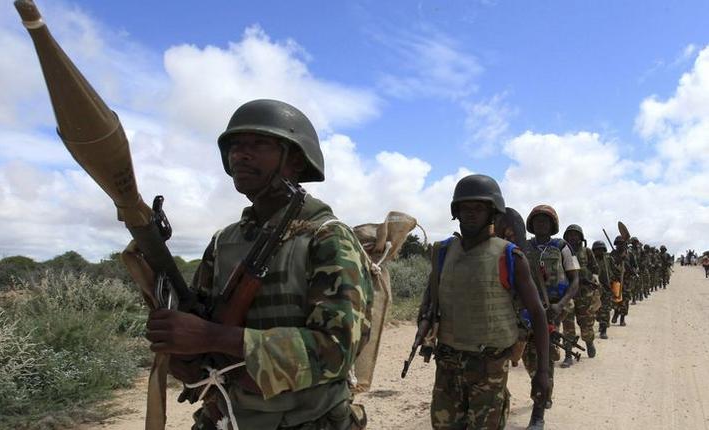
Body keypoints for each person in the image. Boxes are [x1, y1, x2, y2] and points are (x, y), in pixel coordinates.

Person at [145, 99, 373, 430]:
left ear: (296, 159)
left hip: (309, 421)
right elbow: (197, 336)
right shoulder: (224, 241)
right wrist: (180, 342)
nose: (240, 154)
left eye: (258, 144)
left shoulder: (328, 238)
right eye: (235, 146)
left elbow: (336, 352)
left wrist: (215, 337)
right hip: (226, 417)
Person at [424, 175, 549, 430]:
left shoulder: (511, 255)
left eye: (478, 208)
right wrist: (424, 328)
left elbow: (537, 313)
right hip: (447, 364)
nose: (470, 214)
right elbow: (430, 300)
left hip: (489, 366)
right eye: (465, 208)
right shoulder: (443, 252)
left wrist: (543, 374)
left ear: (492, 212)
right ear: (455, 212)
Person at [520, 205, 580, 430]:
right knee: (528, 358)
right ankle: (544, 391)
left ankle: (538, 412)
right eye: (537, 220)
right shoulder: (524, 247)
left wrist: (560, 305)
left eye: (546, 221)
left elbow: (574, 281)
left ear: (552, 225)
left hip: (553, 309)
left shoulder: (562, 247)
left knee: (541, 359)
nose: (541, 224)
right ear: (531, 224)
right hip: (527, 308)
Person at [559, 224, 600, 364]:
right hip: (568, 294)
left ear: (580, 237)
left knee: (586, 324)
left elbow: (595, 269)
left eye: (575, 235)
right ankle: (568, 355)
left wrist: (590, 278)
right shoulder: (562, 251)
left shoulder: (586, 251)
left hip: (584, 294)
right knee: (568, 326)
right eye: (570, 235)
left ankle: (589, 342)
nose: (572, 237)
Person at [591, 240, 622, 339]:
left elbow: (615, 270)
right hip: (594, 288)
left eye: (601, 250)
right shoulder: (591, 260)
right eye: (597, 250)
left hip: (607, 288)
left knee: (605, 309)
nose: (599, 252)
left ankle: (603, 330)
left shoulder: (608, 259)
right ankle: (601, 323)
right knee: (596, 310)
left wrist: (617, 278)